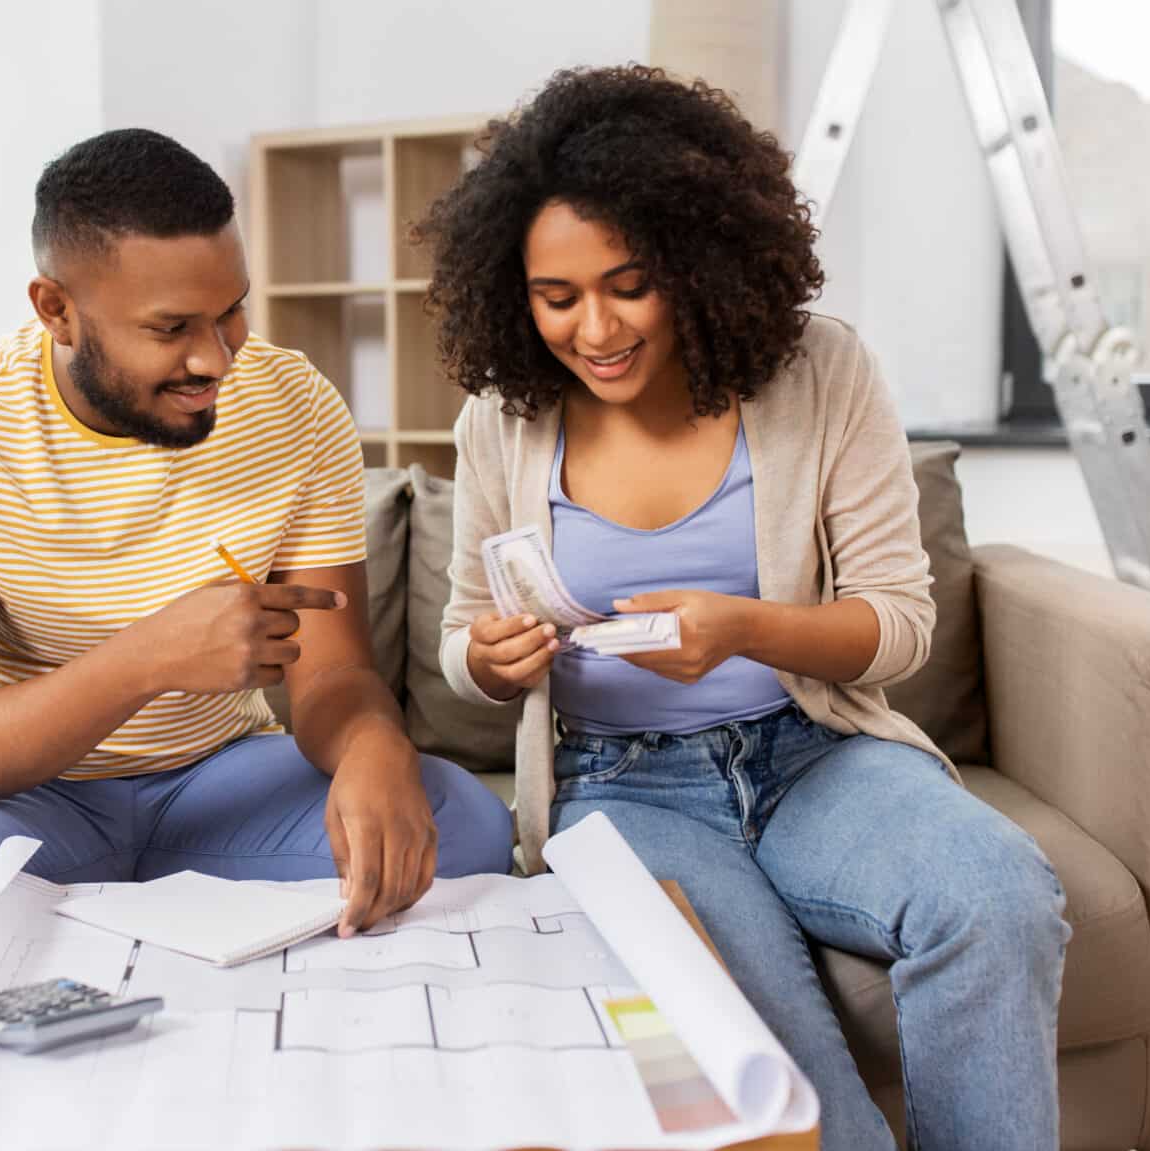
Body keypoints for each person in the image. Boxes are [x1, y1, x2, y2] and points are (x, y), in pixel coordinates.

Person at [417, 66, 1068, 1149]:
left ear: (694, 259)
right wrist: (490, 659)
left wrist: (741, 627)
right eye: (556, 297)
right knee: (759, 1061)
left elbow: (898, 623)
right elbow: (459, 639)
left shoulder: (820, 371)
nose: (594, 328)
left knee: (995, 894)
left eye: (629, 284)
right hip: (623, 788)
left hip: (815, 753)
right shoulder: (501, 419)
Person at [0, 128, 515, 1061]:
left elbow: (332, 673)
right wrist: (148, 658)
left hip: (218, 776)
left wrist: (374, 742)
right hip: (20, 795)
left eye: (231, 312)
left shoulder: (293, 404)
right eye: (171, 329)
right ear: (57, 309)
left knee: (459, 824)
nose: (215, 359)